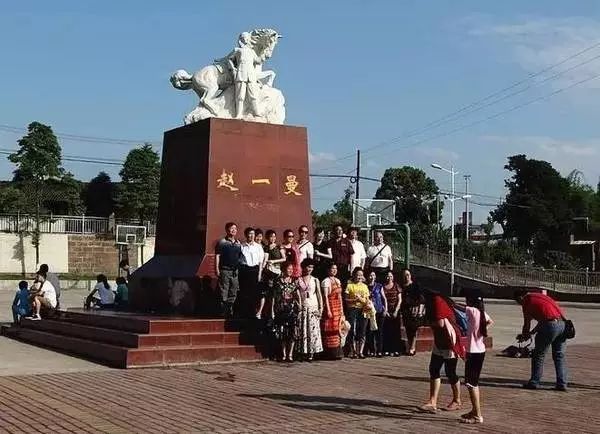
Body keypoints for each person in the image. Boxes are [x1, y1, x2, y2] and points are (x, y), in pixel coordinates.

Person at [514, 290, 568, 391]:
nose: (520, 304)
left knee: (538, 354)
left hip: (550, 326)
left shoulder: (527, 301)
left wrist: (524, 335)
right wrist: (531, 333)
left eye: (518, 302)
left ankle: (534, 382)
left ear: (520, 298)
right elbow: (545, 319)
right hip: (562, 324)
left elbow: (527, 324)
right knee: (559, 355)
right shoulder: (539, 297)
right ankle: (562, 383)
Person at [420, 290, 463, 413]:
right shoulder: (433, 302)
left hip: (449, 342)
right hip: (440, 342)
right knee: (434, 369)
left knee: (450, 372)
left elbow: (440, 323)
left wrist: (426, 321)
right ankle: (432, 401)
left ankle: (457, 400)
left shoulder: (437, 301)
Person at [461, 292, 493, 425]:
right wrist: (482, 330)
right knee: (473, 383)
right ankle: (474, 410)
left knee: (471, 383)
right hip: (480, 350)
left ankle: (477, 415)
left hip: (473, 352)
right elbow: (491, 321)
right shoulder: (482, 312)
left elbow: (458, 307)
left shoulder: (472, 311)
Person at [271, 262, 300, 362]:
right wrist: (272, 310)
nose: (290, 271)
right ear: (284, 270)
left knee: (292, 332)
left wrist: (299, 305)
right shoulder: (278, 281)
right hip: (281, 309)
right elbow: (274, 297)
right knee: (282, 332)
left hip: (292, 309)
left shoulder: (295, 281)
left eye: (292, 269)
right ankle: (283, 354)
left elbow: (297, 295)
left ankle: (290, 354)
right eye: (288, 269)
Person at [296, 258, 323, 361]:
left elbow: (319, 295)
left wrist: (321, 309)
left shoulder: (315, 280)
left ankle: (311, 352)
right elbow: (297, 294)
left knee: (313, 331)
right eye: (308, 266)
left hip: (313, 307)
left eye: (311, 267)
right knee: (303, 329)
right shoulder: (299, 280)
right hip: (303, 307)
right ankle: (303, 351)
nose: (309, 269)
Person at [215, 222, 243, 318]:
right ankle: (223, 310)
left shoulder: (238, 243)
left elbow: (240, 257)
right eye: (231, 228)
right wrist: (217, 269)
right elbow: (218, 256)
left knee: (233, 290)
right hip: (224, 270)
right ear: (227, 230)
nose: (233, 230)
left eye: (235, 228)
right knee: (224, 290)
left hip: (235, 271)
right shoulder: (222, 242)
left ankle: (229, 309)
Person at [259, 229, 286, 319]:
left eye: (274, 236)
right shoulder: (266, 247)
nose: (273, 238)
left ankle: (273, 312)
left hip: (277, 272)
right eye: (271, 236)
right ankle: (262, 312)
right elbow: (265, 259)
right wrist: (262, 269)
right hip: (268, 273)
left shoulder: (279, 247)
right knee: (266, 293)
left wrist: (273, 261)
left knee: (275, 294)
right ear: (267, 238)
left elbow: (284, 259)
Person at [344, 267, 370, 358]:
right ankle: (354, 351)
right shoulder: (349, 285)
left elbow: (367, 300)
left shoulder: (365, 286)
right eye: (358, 274)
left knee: (362, 330)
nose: (360, 277)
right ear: (354, 275)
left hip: (363, 310)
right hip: (352, 309)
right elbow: (346, 299)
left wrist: (361, 300)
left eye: (361, 275)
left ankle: (361, 351)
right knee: (353, 330)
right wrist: (354, 299)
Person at [239, 227, 265, 319]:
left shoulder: (258, 247)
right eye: (250, 234)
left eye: (253, 234)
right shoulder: (242, 246)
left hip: (255, 270)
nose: (252, 236)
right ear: (246, 235)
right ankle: (245, 313)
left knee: (254, 293)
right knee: (245, 293)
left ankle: (253, 313)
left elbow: (261, 262)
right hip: (245, 270)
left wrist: (259, 274)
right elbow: (239, 260)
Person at [321, 263, 344, 360]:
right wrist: (328, 310)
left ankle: (337, 351)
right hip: (330, 306)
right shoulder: (326, 281)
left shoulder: (337, 280)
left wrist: (342, 309)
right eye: (332, 268)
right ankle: (329, 352)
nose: (334, 270)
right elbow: (325, 296)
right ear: (328, 270)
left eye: (336, 268)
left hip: (338, 307)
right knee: (330, 328)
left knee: (338, 327)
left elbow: (340, 296)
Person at [400, 269, 425, 356]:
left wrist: (419, 309)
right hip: (405, 310)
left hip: (414, 309)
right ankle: (409, 345)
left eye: (408, 275)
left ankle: (412, 347)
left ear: (410, 275)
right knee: (407, 329)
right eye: (404, 275)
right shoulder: (401, 286)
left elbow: (421, 298)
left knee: (413, 329)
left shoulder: (415, 285)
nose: (406, 277)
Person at [366, 271, 388, 357]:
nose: (371, 277)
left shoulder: (379, 286)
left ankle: (379, 350)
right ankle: (371, 350)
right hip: (369, 312)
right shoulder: (365, 286)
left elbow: (384, 298)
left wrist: (385, 309)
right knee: (370, 331)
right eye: (370, 275)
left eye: (373, 275)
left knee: (379, 331)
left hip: (379, 310)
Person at [382, 271, 403, 356]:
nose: (389, 278)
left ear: (393, 277)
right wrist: (385, 311)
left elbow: (400, 299)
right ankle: (387, 349)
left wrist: (396, 311)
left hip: (395, 310)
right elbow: (381, 300)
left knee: (396, 331)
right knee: (386, 331)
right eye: (387, 276)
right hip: (386, 310)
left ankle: (396, 349)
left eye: (391, 276)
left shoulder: (396, 286)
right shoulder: (382, 287)